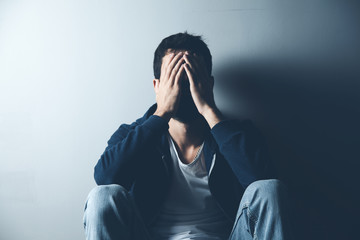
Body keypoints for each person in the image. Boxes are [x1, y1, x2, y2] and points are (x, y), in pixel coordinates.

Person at [83, 31, 293, 240]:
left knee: (269, 188)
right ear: (157, 86)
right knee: (101, 197)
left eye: (191, 78)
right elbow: (106, 178)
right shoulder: (133, 135)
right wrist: (162, 113)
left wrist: (209, 110)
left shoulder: (236, 134)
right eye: (174, 79)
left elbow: (263, 186)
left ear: (208, 84)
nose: (183, 89)